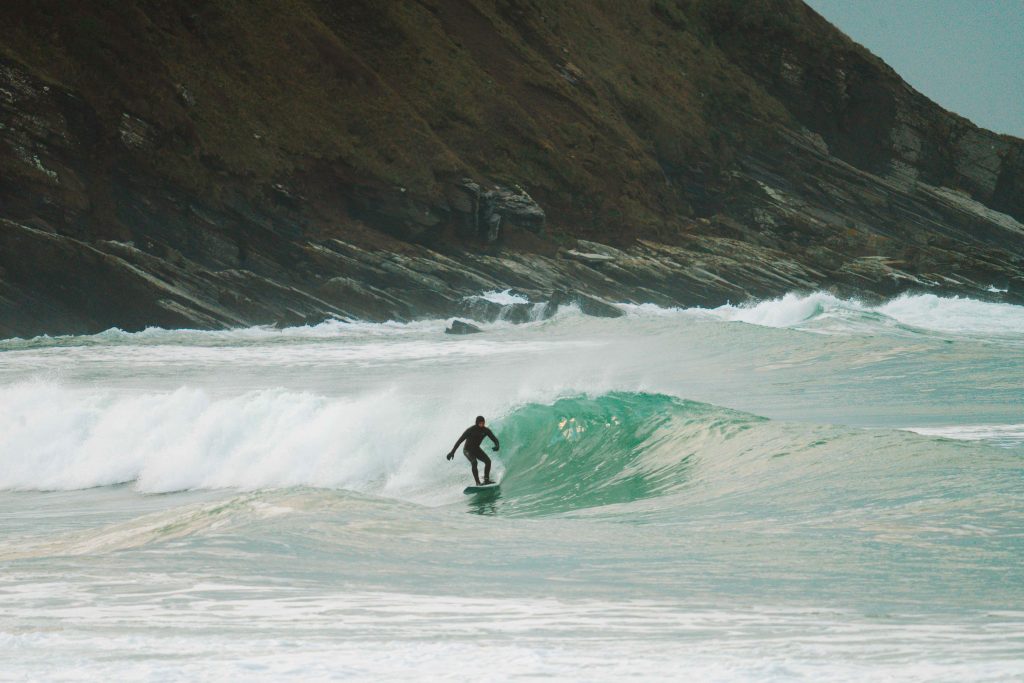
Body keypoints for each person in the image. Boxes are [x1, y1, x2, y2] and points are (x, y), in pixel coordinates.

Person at [446, 415, 499, 485]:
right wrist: (452, 452)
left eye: (483, 423)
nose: (482, 424)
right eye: (480, 423)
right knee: (474, 462)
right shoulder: (470, 430)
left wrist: (497, 445)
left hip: (476, 449)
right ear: (477, 423)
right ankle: (477, 482)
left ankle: (486, 480)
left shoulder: (485, 430)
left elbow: (494, 439)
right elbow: (459, 441)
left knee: (488, 461)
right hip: (467, 450)